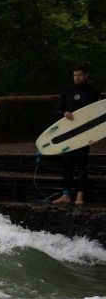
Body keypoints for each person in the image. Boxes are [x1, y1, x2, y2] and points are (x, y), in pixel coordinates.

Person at [52, 65, 101, 205]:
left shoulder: (93, 93)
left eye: (79, 75)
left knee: (82, 165)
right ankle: (66, 195)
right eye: (74, 75)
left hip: (85, 135)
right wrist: (64, 113)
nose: (76, 78)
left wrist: (96, 136)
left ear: (86, 76)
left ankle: (80, 196)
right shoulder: (67, 91)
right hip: (68, 134)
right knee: (66, 164)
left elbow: (97, 118)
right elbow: (57, 110)